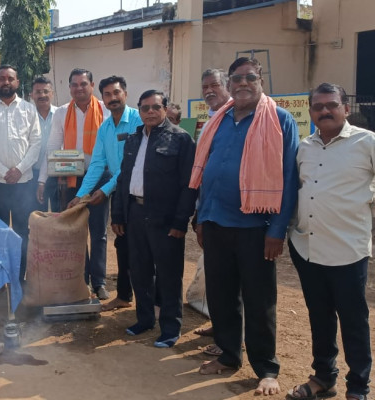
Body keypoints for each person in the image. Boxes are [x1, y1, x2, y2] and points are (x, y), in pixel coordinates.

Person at [191, 57, 299, 396]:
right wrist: (202, 219)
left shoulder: (279, 120)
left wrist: (276, 230)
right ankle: (229, 354)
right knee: (221, 296)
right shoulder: (217, 122)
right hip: (216, 223)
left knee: (259, 299)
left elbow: (289, 177)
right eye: (236, 78)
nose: (242, 83)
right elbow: (207, 172)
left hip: (256, 228)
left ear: (260, 80)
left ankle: (266, 367)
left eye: (249, 77)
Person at [285, 83, 375, 400]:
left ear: (345, 109)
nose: (325, 111)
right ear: (311, 112)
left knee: (353, 321)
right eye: (318, 106)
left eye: (331, 105)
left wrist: (370, 207)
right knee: (320, 317)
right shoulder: (305, 147)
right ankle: (324, 377)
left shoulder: (369, 142)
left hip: (348, 250)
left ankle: (358, 387)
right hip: (308, 248)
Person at [110, 89, 196, 348]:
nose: (150, 112)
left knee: (169, 274)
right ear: (139, 110)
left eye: (155, 107)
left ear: (165, 109)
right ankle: (144, 319)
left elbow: (189, 185)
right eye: (145, 107)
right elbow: (123, 179)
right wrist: (118, 214)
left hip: (164, 217)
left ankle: (170, 329)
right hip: (135, 213)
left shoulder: (181, 139)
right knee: (139, 270)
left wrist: (181, 222)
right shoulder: (134, 139)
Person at [67, 76, 142, 310]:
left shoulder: (138, 121)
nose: (113, 98)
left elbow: (131, 165)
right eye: (107, 94)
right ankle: (124, 295)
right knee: (122, 242)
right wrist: (81, 195)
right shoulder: (105, 127)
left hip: (141, 193)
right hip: (120, 194)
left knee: (143, 247)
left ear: (125, 94)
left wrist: (105, 189)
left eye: (116, 93)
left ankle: (152, 304)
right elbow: (98, 164)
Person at [38, 68, 111, 299]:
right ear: (69, 88)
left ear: (92, 85)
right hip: (70, 178)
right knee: (74, 231)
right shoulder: (61, 113)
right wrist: (42, 179)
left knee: (98, 231)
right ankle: (80, 279)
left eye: (83, 84)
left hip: (100, 177)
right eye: (74, 85)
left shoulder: (105, 110)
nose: (79, 88)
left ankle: (99, 281)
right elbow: (52, 147)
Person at [0, 64, 41, 280]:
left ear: (17, 83)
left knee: (23, 231)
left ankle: (21, 277)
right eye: (1, 78)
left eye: (10, 78)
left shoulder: (29, 109)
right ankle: (1, 276)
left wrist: (19, 170)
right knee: (0, 231)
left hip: (25, 183)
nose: (6, 82)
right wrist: (5, 172)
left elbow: (36, 144)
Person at [191, 68, 232, 352]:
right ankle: (219, 324)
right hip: (210, 209)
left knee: (233, 281)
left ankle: (230, 340)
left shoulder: (240, 118)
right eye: (204, 86)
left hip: (237, 215)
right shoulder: (210, 122)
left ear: (226, 86)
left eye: (214, 85)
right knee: (216, 276)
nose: (209, 91)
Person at [31, 76, 60, 212]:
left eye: (45, 91)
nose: (42, 95)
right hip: (33, 175)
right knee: (38, 216)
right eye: (38, 92)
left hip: (58, 174)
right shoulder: (26, 116)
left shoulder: (62, 115)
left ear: (52, 93)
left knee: (59, 215)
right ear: (32, 95)